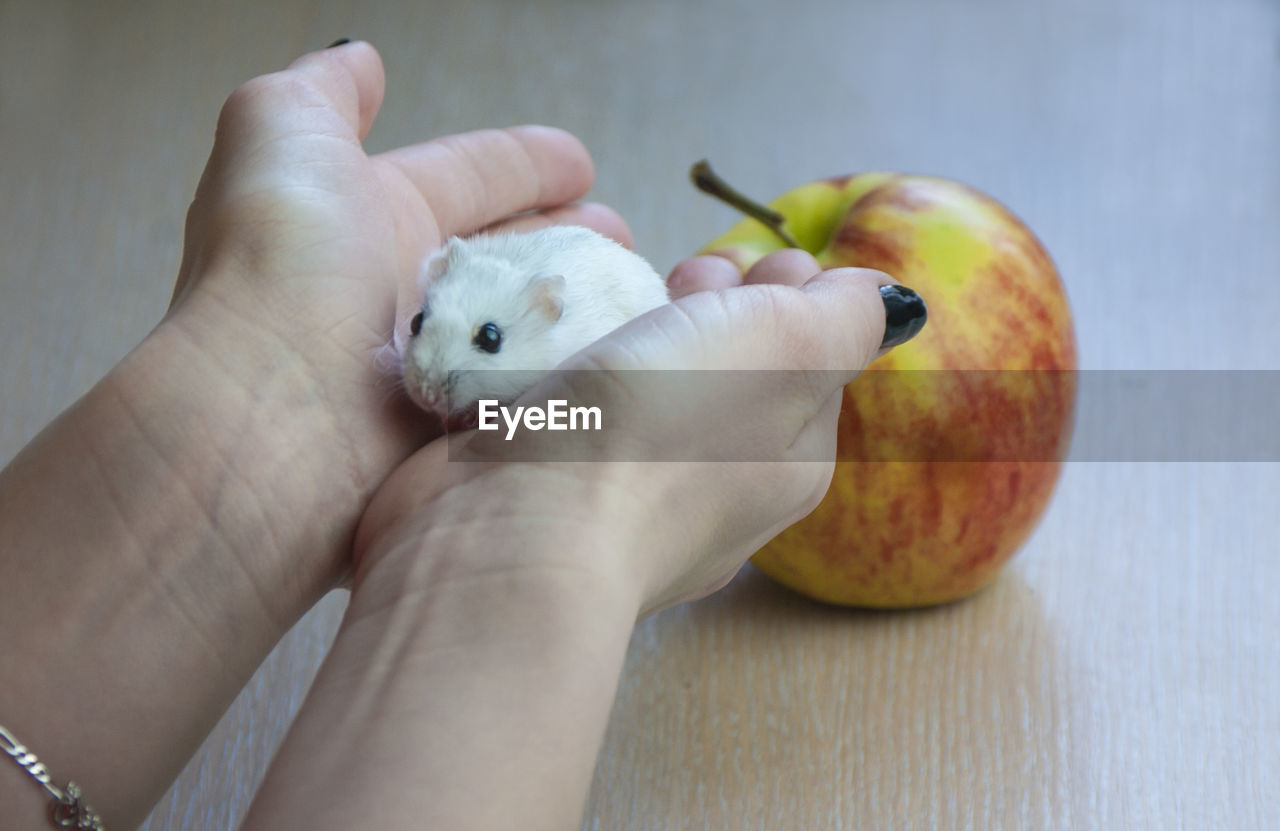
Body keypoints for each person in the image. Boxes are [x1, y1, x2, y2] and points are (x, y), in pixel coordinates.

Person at [0, 40, 922, 830]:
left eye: (486, 342)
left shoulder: (574, 312)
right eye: (426, 322)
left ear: (539, 316)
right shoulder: (459, 315)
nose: (432, 372)